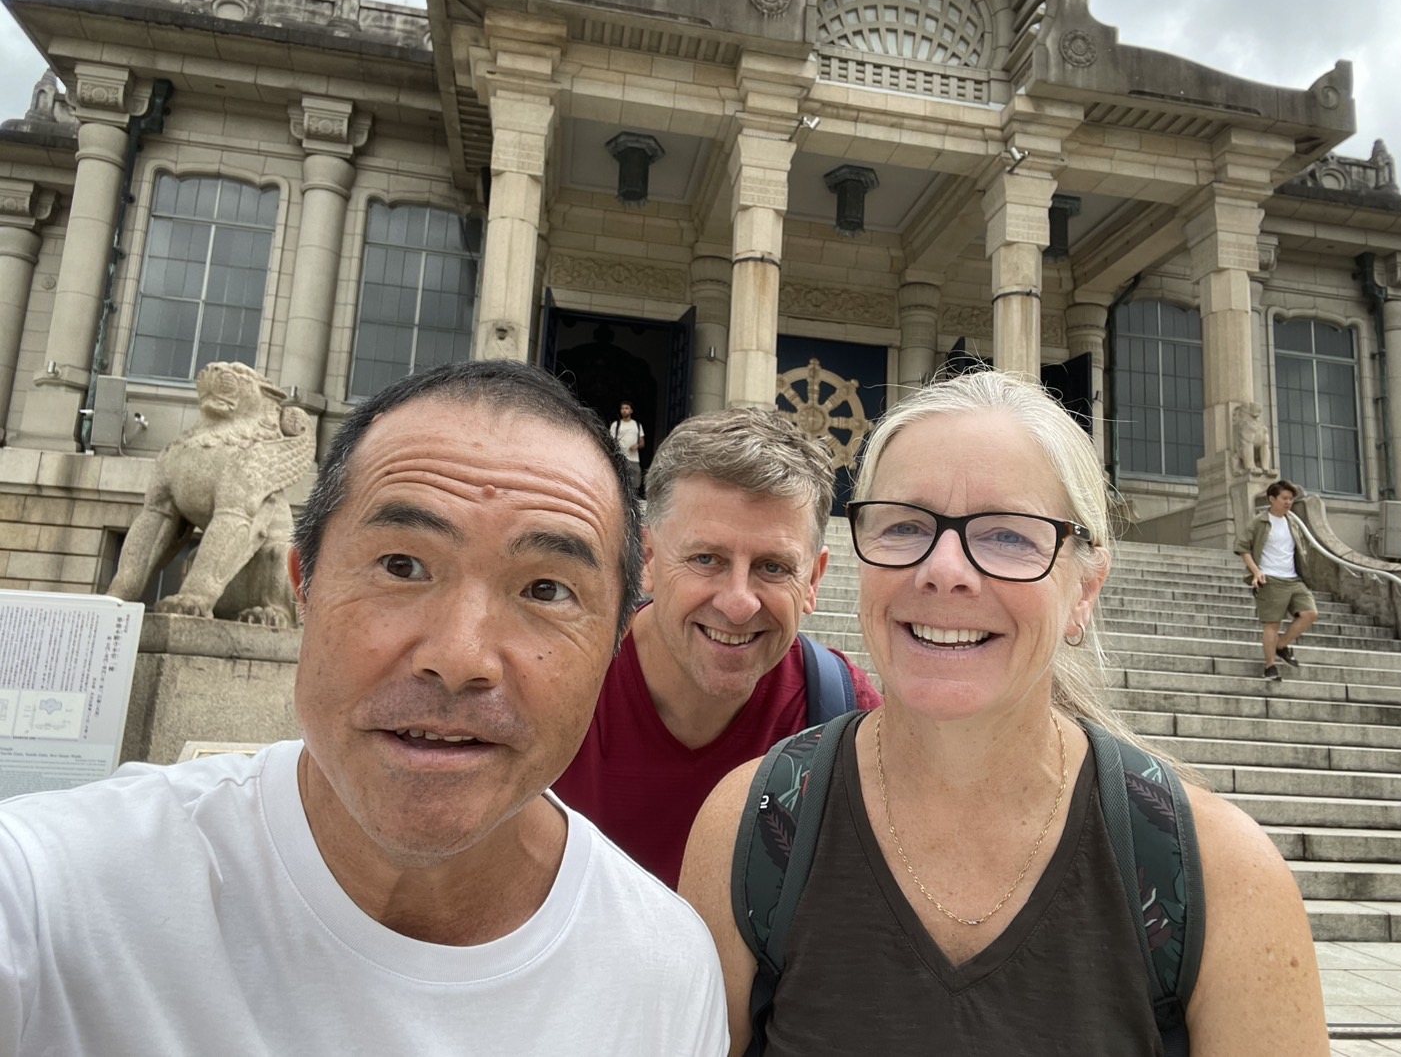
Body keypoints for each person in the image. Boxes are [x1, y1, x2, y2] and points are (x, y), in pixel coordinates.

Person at [0, 361, 727, 1056]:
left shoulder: (664, 971)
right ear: (303, 588)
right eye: (401, 566)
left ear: (614, 639)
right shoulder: (49, 893)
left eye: (546, 590)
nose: (459, 657)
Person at [680, 370, 1328, 1056]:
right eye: (904, 525)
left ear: (1084, 589)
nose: (944, 569)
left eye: (1008, 536)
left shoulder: (1220, 876)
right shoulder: (748, 828)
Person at [555, 407, 881, 887]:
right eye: (706, 559)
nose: (738, 604)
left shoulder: (846, 720)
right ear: (647, 559)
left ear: (813, 580)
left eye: (773, 567)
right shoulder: (556, 683)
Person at [1235, 478, 1320, 682]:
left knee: (1310, 614)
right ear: (1272, 499)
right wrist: (1256, 572)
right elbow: (1242, 547)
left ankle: (1281, 645)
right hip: (1270, 578)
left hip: (1293, 578)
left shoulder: (1293, 522)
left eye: (1290, 499)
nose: (1288, 502)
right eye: (1284, 498)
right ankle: (1270, 666)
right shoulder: (1260, 522)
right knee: (1272, 623)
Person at [610, 400, 645, 493]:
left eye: (626, 408)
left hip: (634, 459)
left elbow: (642, 442)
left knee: (635, 483)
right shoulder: (616, 425)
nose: (624, 410)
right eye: (622, 408)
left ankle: (634, 500)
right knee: (619, 483)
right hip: (620, 458)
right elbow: (610, 441)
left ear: (631, 411)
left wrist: (637, 445)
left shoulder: (637, 425)